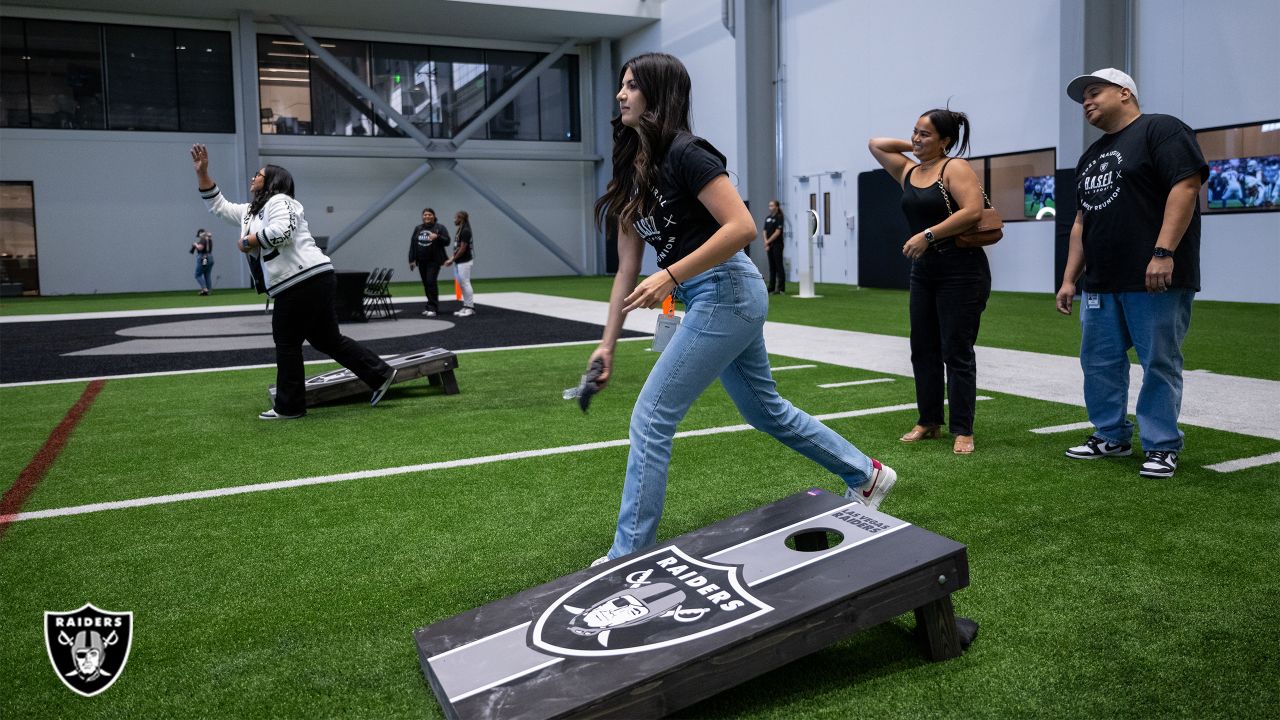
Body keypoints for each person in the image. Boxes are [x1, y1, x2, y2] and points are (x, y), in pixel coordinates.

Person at [587, 53, 897, 564]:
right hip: (710, 297)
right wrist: (607, 345)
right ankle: (866, 474)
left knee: (651, 416)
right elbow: (625, 270)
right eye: (620, 85)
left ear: (658, 95)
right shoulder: (631, 171)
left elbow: (742, 228)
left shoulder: (688, 152)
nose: (621, 94)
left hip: (726, 290)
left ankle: (628, 555)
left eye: (631, 86)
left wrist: (668, 274)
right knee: (764, 410)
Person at [1056, 68, 1208, 479]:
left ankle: (1161, 445)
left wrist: (1163, 252)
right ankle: (1111, 435)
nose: (1086, 101)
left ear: (1125, 93)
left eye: (1093, 92)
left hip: (1152, 276)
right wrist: (1071, 278)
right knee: (1099, 361)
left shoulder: (1162, 130)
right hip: (1101, 280)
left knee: (1158, 360)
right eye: (1082, 97)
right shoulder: (1090, 156)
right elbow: (1081, 222)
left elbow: (1186, 186)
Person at [189, 144, 396, 420]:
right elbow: (218, 206)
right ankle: (380, 374)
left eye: (258, 175)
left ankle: (290, 406)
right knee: (328, 340)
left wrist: (248, 242)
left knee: (287, 341)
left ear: (272, 181)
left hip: (302, 280)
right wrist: (203, 173)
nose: (253, 178)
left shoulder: (281, 201)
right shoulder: (251, 212)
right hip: (311, 279)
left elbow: (282, 232)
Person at [868, 107, 991, 455]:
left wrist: (929, 235)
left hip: (962, 269)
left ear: (946, 141)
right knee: (922, 348)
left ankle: (963, 429)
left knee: (957, 350)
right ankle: (928, 420)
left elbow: (972, 211)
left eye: (925, 134)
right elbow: (876, 144)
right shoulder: (909, 170)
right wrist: (914, 143)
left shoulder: (955, 167)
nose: (916, 140)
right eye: (914, 132)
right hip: (924, 271)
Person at [408, 208, 451, 317]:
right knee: (426, 284)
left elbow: (447, 241)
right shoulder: (418, 228)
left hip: (434, 260)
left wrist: (438, 237)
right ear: (422, 217)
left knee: (431, 282)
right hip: (421, 261)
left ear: (434, 216)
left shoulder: (439, 228)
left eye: (429, 215)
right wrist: (411, 259)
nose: (427, 216)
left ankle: (433, 307)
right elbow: (413, 244)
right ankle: (429, 305)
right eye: (425, 215)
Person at [443, 210, 475, 317]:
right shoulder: (460, 230)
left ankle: (470, 308)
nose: (454, 220)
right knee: (462, 284)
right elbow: (457, 248)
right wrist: (452, 259)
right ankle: (466, 306)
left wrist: (452, 260)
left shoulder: (465, 231)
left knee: (465, 283)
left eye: (455, 218)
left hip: (464, 262)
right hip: (458, 262)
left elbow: (462, 249)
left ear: (461, 218)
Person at [762, 199, 785, 294]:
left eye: (772, 205)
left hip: (777, 245)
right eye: (769, 205)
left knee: (778, 265)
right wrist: (766, 242)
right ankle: (771, 287)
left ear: (777, 207)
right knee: (772, 267)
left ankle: (780, 288)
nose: (770, 207)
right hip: (769, 245)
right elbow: (764, 231)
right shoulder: (767, 218)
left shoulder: (779, 217)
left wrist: (768, 241)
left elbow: (777, 232)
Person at [190, 228, 214, 295]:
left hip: (204, 257)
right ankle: (209, 290)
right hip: (210, 257)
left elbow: (200, 247)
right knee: (207, 275)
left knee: (198, 275)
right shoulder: (209, 239)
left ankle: (204, 289)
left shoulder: (203, 239)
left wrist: (195, 245)